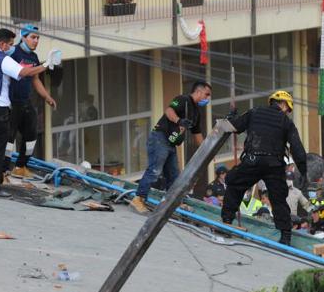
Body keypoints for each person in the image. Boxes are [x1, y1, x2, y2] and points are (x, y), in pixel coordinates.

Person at [0, 29, 59, 197]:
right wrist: (45, 65)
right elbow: (24, 73)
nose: (10, 47)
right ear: (2, 43)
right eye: (9, 44)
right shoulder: (3, 59)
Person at [221, 90, 307, 246]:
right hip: (273, 165)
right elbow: (297, 148)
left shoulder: (254, 112)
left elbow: (235, 126)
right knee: (279, 199)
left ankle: (226, 221)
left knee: (235, 185)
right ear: (282, 104)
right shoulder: (286, 122)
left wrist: (231, 116)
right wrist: (303, 170)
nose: (287, 112)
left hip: (252, 161)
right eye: (288, 108)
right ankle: (285, 236)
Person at [130, 81, 212, 214]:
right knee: (154, 171)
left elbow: (197, 133)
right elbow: (169, 110)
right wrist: (179, 121)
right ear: (198, 91)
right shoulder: (183, 100)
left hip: (171, 144)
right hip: (160, 138)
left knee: (174, 176)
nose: (208, 98)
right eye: (206, 94)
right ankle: (138, 200)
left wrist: (207, 151)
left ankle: (173, 203)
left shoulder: (196, 112)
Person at [5, 24, 57, 179]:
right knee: (9, 138)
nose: (36, 41)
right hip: (10, 101)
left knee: (31, 135)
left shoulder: (33, 58)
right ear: (23, 37)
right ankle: (2, 170)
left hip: (25, 101)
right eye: (33, 37)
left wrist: (47, 97)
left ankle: (21, 166)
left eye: (38, 38)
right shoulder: (12, 51)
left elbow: (35, 79)